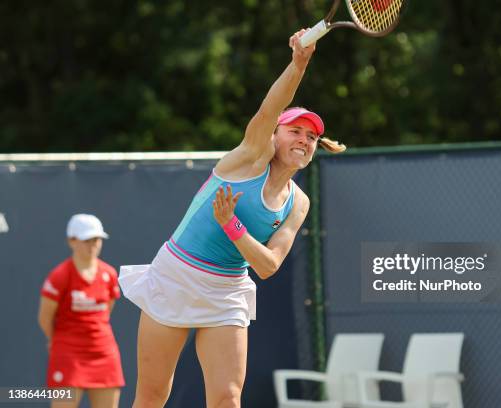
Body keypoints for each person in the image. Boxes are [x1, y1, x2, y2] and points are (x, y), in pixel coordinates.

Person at [118, 29, 345, 408]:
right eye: (295, 131)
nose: (304, 140)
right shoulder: (249, 158)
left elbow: (268, 265)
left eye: (311, 137)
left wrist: (232, 226)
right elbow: (269, 109)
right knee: (152, 395)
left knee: (226, 398)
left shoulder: (299, 203)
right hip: (177, 275)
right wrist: (298, 64)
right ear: (273, 136)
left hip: (227, 290)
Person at [38, 214, 125, 408]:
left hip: (104, 352)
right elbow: (45, 317)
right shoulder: (59, 276)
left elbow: (107, 310)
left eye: (97, 240)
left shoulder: (109, 274)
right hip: (68, 354)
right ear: (72, 241)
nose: (93, 245)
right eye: (87, 240)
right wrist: (58, 341)